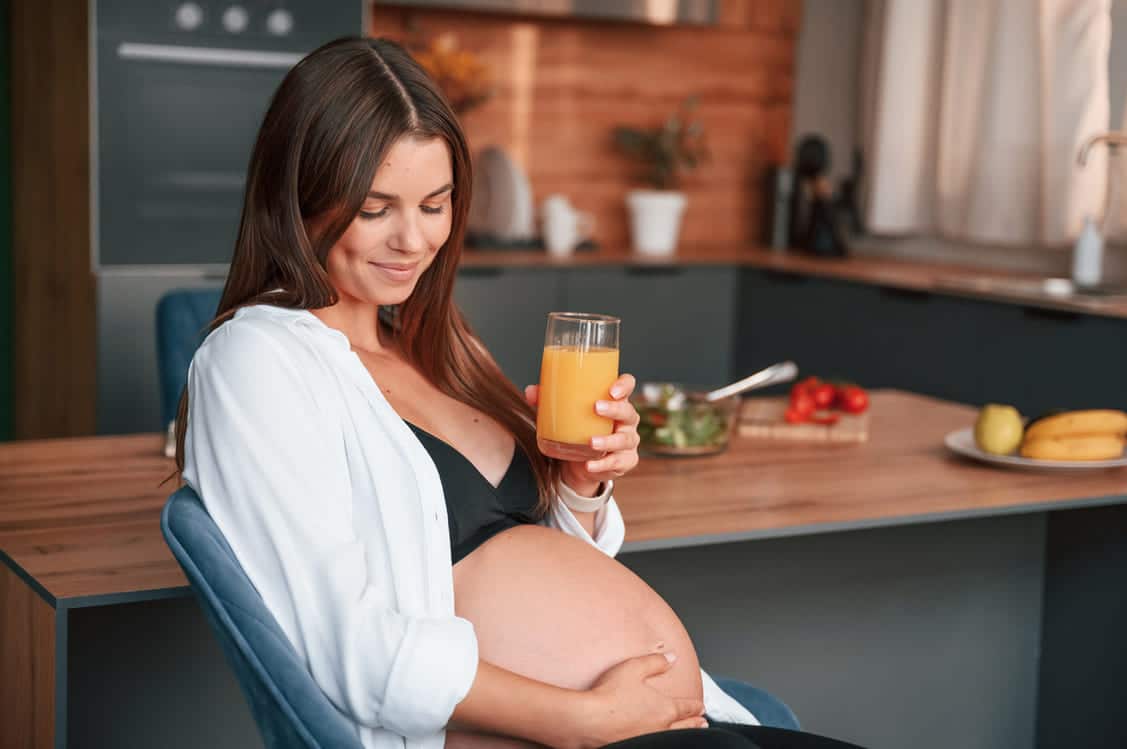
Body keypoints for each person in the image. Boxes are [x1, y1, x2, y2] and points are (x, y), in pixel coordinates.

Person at [175, 36, 864, 749]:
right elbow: (349, 646)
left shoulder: (437, 342)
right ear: (300, 198)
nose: (412, 239)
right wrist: (583, 719)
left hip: (663, 719)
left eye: (435, 204)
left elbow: (540, 559)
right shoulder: (256, 359)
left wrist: (578, 487)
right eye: (376, 208)